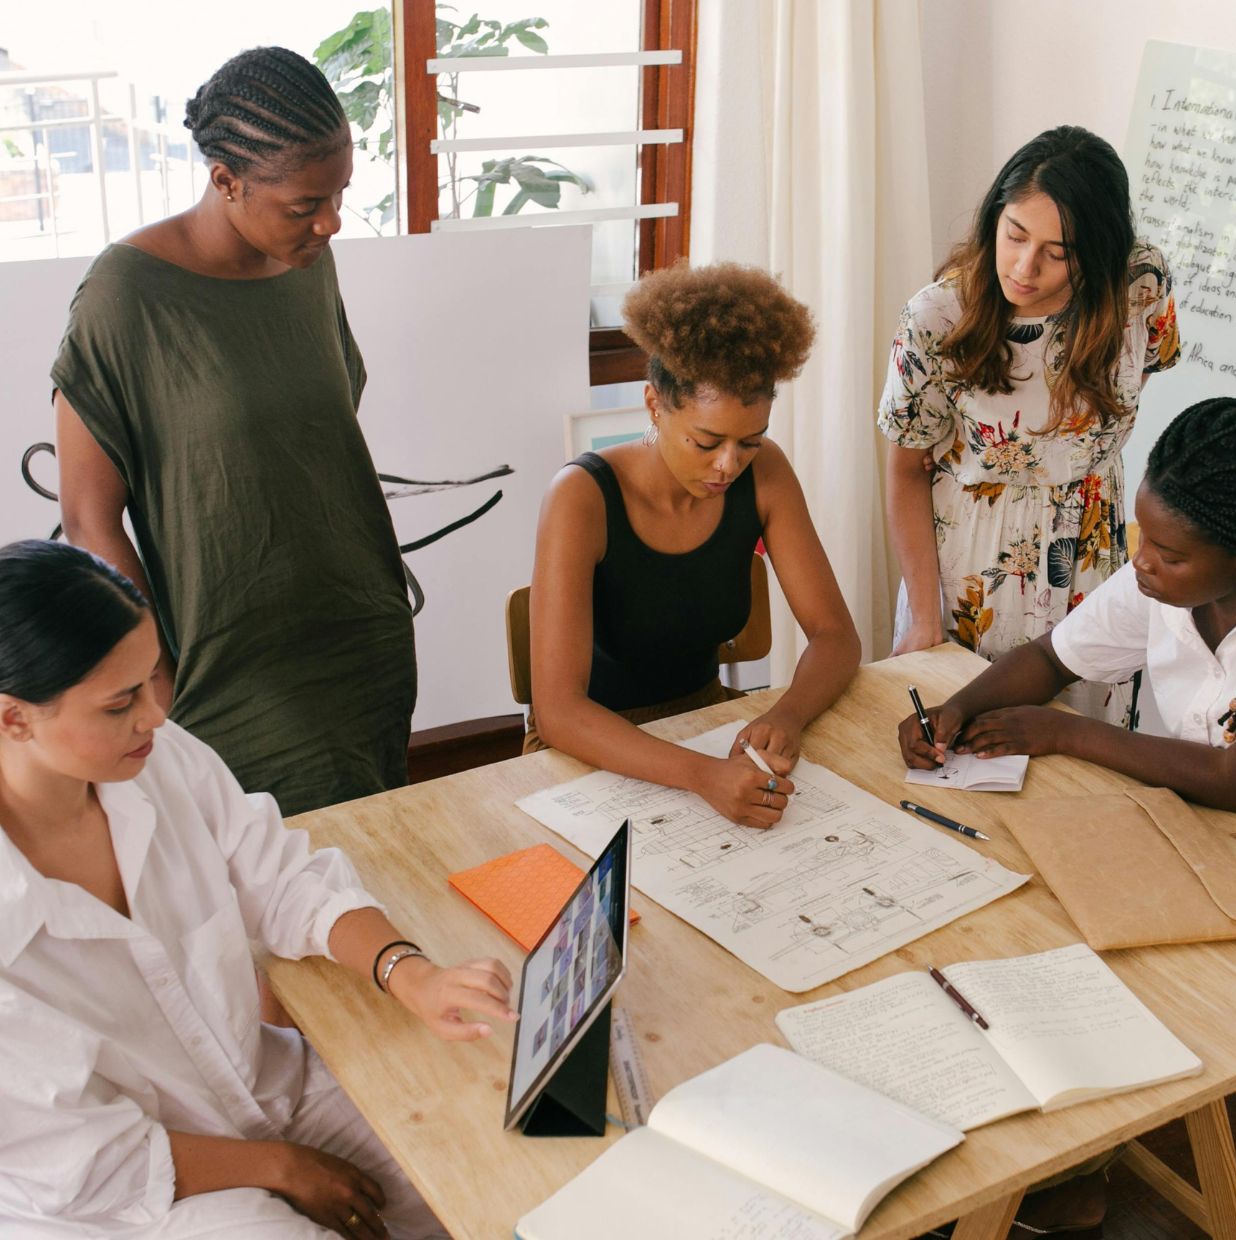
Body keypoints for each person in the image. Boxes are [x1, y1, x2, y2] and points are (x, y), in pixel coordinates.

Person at [901, 397, 1236, 1235]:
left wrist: (1063, 734)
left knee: (1087, 965)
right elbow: (1052, 658)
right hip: (1202, 836)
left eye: (1167, 553)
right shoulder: (1172, 570)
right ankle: (1050, 1163)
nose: (1141, 563)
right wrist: (955, 709)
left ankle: (1059, 1169)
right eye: (1140, 538)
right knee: (1016, 916)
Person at [0, 540, 515, 1238]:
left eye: (152, 678)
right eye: (121, 703)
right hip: (129, 1194)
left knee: (488, 1162)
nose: (156, 716)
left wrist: (411, 974)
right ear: (13, 718)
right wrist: (282, 1168)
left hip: (265, 1091)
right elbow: (85, 1161)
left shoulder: (157, 757)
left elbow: (281, 876)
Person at [52, 47, 415, 818]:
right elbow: (88, 517)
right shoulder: (126, 296)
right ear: (226, 180)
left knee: (375, 863)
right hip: (230, 664)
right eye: (303, 204)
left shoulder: (309, 261)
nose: (330, 221)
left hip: (361, 633)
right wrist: (152, 676)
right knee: (265, 887)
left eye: (341, 193)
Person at [528, 263, 861, 829]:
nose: (728, 465)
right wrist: (703, 776)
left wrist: (788, 714)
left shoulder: (766, 474)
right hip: (590, 749)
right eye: (707, 442)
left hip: (705, 725)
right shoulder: (582, 496)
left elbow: (835, 637)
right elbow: (559, 713)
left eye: (749, 443)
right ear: (655, 405)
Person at [880, 125, 1180, 725]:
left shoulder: (1139, 284)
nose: (1023, 266)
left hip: (1094, 555)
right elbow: (906, 470)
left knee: (1086, 758)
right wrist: (924, 616)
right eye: (1014, 234)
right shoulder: (939, 317)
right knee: (962, 747)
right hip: (974, 566)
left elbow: (1130, 389)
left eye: (1058, 251)